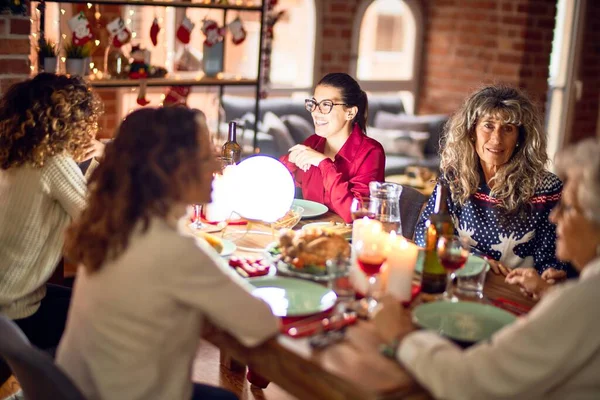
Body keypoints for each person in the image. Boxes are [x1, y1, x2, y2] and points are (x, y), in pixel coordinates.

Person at [57, 107, 279, 400]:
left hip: (82, 389)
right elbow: (261, 324)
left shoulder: (115, 224)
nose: (217, 164)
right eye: (205, 156)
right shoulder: (172, 249)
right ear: (171, 169)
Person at [375, 137, 600, 399]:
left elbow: (467, 383)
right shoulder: (584, 298)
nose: (554, 216)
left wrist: (400, 336)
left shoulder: (585, 300)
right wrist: (551, 296)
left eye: (569, 208)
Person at [415, 85, 568, 278]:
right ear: (472, 131)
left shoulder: (547, 189)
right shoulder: (453, 178)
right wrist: (477, 259)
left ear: (520, 138)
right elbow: (424, 234)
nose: (496, 139)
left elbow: (554, 258)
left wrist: (551, 275)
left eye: (508, 129)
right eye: (488, 126)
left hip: (517, 290)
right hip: (464, 279)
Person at [0, 74, 103, 360]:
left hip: (9, 298)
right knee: (103, 317)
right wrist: (101, 158)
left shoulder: (14, 155)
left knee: (80, 299)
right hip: (16, 311)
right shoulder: (54, 162)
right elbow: (97, 222)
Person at [280, 73, 385, 222]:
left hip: (350, 241)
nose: (316, 112)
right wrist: (290, 160)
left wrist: (325, 164)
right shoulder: (312, 144)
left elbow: (356, 215)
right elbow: (274, 183)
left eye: (326, 105)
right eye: (314, 104)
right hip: (309, 233)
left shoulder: (371, 152)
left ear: (350, 112)